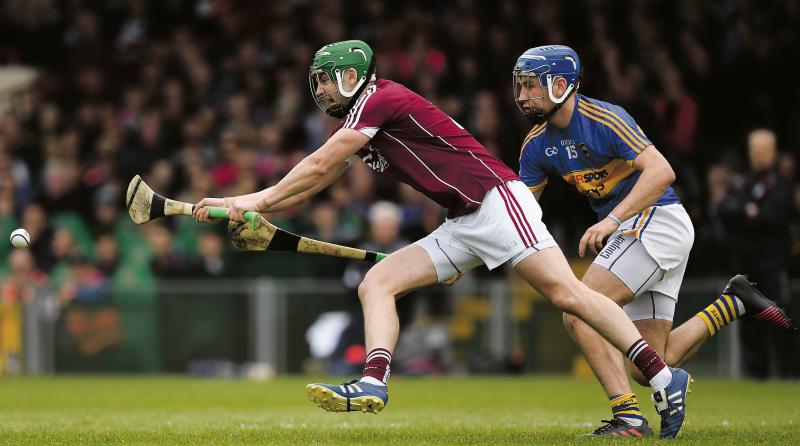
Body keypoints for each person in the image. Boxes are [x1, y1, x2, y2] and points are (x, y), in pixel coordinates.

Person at [193, 40, 691, 438]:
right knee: (378, 282)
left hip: (497, 201)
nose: (319, 89)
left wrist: (251, 201)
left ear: (351, 75)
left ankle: (664, 377)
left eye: (325, 79)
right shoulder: (359, 120)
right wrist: (253, 201)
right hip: (464, 219)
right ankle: (373, 382)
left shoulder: (379, 98)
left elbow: (319, 164)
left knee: (568, 295)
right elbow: (319, 177)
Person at [513, 45, 794, 437]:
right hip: (644, 232)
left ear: (561, 85)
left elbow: (662, 170)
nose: (523, 95)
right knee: (650, 364)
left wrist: (611, 219)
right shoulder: (536, 145)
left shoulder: (605, 119)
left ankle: (627, 416)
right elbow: (519, 213)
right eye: (521, 85)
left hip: (655, 220)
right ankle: (734, 302)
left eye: (531, 85)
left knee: (578, 310)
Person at [718, 129, 799, 378]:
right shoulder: (741, 183)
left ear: (773, 153)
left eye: (764, 150)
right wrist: (748, 212)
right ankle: (756, 377)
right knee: (749, 324)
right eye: (755, 150)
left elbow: (775, 217)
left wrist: (748, 215)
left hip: (773, 264)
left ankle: (789, 375)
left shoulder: (782, 185)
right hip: (745, 264)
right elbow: (725, 210)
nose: (759, 155)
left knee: (781, 319)